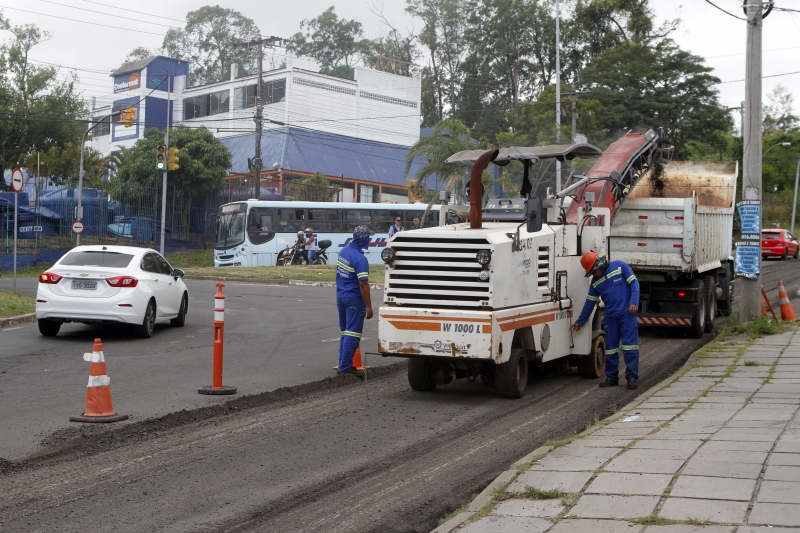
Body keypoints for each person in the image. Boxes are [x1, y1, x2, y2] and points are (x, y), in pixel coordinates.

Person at [571, 251, 641, 390]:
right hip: (611, 317)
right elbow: (589, 303)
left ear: (599, 265)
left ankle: (631, 377)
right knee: (611, 349)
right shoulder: (595, 282)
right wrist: (580, 321)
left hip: (627, 314)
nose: (593, 274)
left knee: (630, 347)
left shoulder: (619, 266)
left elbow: (634, 283)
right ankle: (612, 377)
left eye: (593, 271)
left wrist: (634, 302)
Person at [336, 225, 374, 376]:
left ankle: (343, 364)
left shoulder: (343, 251)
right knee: (353, 333)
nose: (369, 240)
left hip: (341, 297)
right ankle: (345, 367)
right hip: (354, 299)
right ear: (364, 239)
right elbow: (363, 283)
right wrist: (369, 307)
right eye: (368, 237)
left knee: (345, 332)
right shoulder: (360, 259)